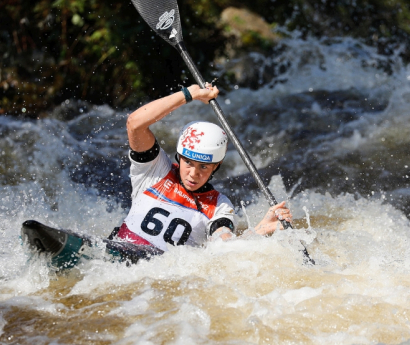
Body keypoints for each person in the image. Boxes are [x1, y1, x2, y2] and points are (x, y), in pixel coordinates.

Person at [114, 82, 292, 251]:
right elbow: (135, 124)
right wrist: (190, 94)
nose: (193, 174)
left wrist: (260, 230)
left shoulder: (218, 205)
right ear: (179, 157)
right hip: (118, 250)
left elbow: (224, 247)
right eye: (188, 163)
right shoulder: (155, 170)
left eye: (204, 167)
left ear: (217, 166)